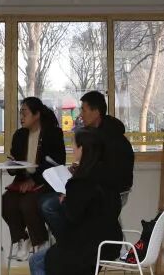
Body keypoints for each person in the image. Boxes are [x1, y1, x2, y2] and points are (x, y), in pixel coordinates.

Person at [28, 129, 121, 275]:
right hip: (111, 242)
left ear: (83, 149)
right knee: (59, 257)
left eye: (74, 145)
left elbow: (72, 216)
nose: (72, 148)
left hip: (89, 246)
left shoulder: (80, 181)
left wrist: (67, 200)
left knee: (38, 261)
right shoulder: (109, 175)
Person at [41, 90, 134, 240]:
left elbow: (108, 174)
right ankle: (70, 242)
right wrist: (79, 172)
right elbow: (94, 168)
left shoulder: (111, 139)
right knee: (44, 200)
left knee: (49, 205)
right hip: (93, 189)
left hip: (108, 194)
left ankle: (69, 243)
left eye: (83, 110)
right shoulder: (96, 134)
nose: (81, 115)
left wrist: (77, 189)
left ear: (96, 112)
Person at [3, 97, 66, 261]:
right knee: (6, 202)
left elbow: (57, 162)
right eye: (20, 113)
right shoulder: (19, 135)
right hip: (22, 181)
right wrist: (12, 166)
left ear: (36, 114)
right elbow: (15, 162)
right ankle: (22, 239)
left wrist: (34, 181)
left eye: (24, 113)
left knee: (28, 203)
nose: (21, 117)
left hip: (45, 182)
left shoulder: (53, 133)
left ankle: (40, 242)